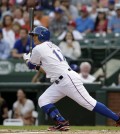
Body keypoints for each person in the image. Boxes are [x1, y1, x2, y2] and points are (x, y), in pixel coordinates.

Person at [23, 26, 120, 131]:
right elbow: (44, 69)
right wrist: (33, 62)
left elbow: (30, 66)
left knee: (89, 103)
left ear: (42, 36)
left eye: (35, 35)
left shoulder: (38, 48)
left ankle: (117, 118)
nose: (33, 38)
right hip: (59, 82)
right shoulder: (53, 46)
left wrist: (27, 59)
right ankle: (61, 122)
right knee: (43, 100)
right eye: (33, 36)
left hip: (67, 79)